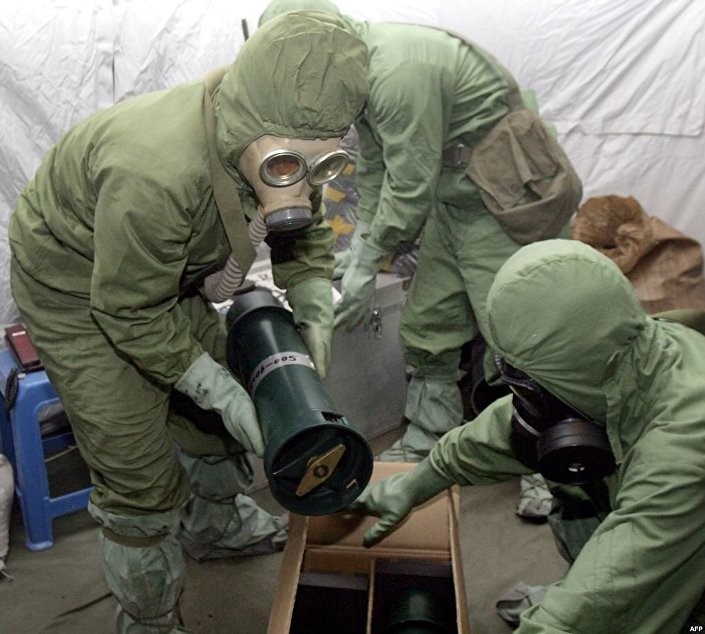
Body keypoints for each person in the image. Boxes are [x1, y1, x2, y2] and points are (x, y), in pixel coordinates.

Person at [8, 13, 368, 632]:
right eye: (287, 166)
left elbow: (299, 223)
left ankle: (215, 526)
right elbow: (126, 308)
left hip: (161, 275)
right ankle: (148, 617)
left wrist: (312, 301)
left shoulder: (282, 138)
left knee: (221, 415)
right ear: (251, 134)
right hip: (76, 289)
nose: (298, 181)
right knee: (137, 471)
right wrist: (217, 390)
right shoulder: (154, 170)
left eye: (320, 164)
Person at [258, 1, 583, 470]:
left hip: (506, 202)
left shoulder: (398, 70)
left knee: (521, 334)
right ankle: (432, 437)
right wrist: (361, 245)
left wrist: (370, 258)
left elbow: (410, 182)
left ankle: (555, 464)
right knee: (430, 321)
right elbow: (375, 165)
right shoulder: (360, 72)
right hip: (456, 201)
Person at [351, 239, 705, 633]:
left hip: (679, 529)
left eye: (530, 387)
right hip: (658, 515)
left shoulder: (681, 453)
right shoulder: (616, 361)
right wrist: (422, 479)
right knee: (579, 497)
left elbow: (601, 593)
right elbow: (517, 421)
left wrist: (562, 616)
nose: (524, 401)